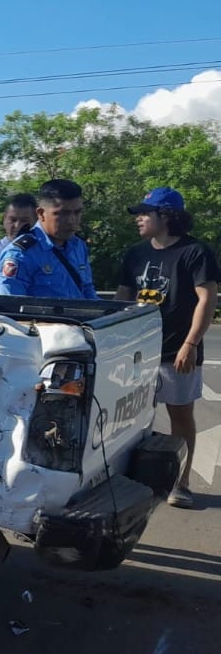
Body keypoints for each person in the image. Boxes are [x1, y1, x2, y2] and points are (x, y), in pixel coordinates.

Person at [115, 187, 219, 509]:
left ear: (166, 215)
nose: (139, 219)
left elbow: (207, 299)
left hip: (178, 352)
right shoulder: (135, 254)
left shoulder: (195, 252)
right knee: (129, 419)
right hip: (136, 354)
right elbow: (122, 300)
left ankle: (181, 482)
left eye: (145, 212)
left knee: (181, 416)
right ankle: (129, 478)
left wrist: (192, 342)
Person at [0, 179, 98, 299]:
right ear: (40, 213)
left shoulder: (78, 245)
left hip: (82, 317)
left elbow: (87, 290)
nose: (71, 221)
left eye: (77, 213)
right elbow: (12, 306)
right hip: (39, 318)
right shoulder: (20, 254)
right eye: (63, 214)